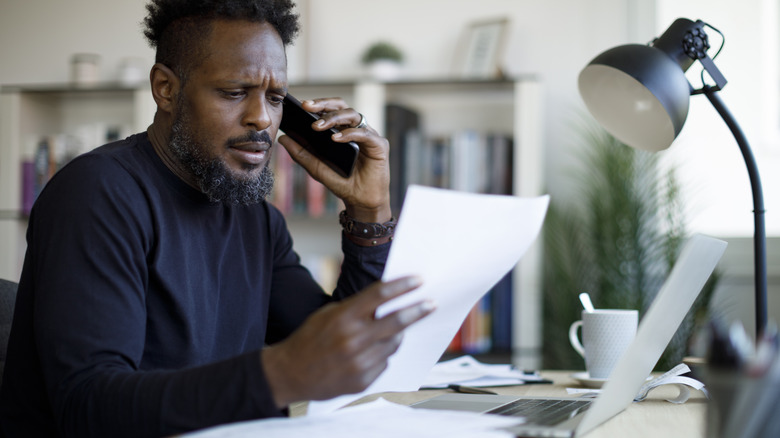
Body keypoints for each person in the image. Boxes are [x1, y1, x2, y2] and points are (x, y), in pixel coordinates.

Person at [0, 1, 434, 436]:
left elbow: (340, 358)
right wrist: (277, 374)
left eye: (276, 97)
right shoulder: (97, 194)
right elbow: (87, 405)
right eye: (233, 92)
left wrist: (369, 212)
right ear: (166, 89)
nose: (262, 118)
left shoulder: (257, 218)